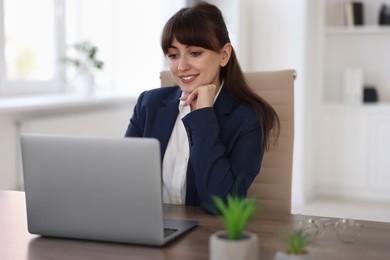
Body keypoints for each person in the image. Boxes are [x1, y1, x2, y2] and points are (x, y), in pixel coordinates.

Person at [125, 2, 280, 212]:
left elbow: (222, 205)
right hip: (150, 229)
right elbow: (123, 182)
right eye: (173, 55)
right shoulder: (148, 104)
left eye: (195, 53)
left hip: (206, 237)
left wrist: (203, 116)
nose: (181, 67)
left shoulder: (249, 118)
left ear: (224, 55)